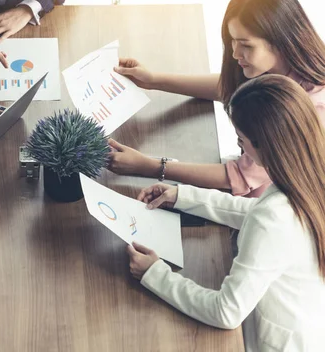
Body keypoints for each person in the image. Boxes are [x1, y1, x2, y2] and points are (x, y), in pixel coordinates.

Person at [127, 75, 325, 351]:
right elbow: (254, 211)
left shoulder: (276, 218)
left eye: (241, 140)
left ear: (265, 144)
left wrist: (155, 274)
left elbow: (226, 312)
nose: (240, 149)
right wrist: (182, 196)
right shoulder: (312, 173)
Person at [108, 0, 325, 198]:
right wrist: (154, 80)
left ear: (279, 40)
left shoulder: (306, 109)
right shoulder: (277, 68)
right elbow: (230, 86)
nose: (235, 53)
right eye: (232, 40)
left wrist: (149, 166)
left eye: (246, 45)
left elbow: (238, 177)